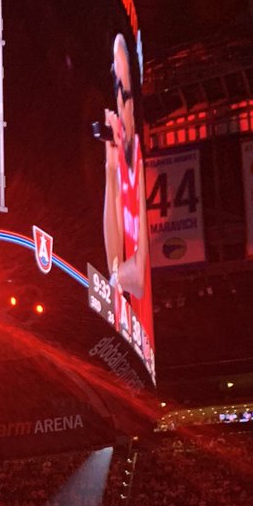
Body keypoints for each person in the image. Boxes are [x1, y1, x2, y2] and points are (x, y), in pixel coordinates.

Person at [102, 32, 152, 362]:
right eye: (120, 98)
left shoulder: (135, 159)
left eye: (126, 96)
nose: (121, 109)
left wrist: (123, 271)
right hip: (131, 285)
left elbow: (130, 266)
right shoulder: (120, 159)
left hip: (135, 283)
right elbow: (115, 253)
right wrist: (109, 168)